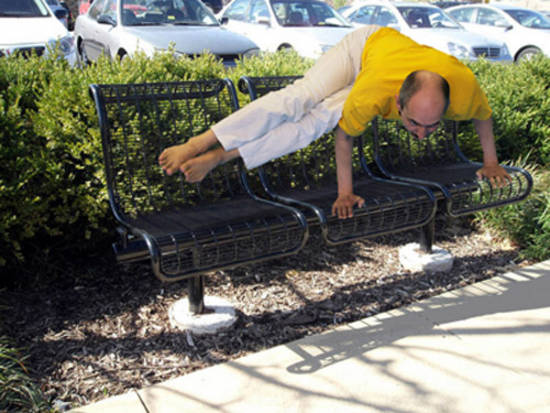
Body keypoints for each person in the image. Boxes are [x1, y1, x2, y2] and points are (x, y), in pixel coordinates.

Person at [158, 25, 511, 219]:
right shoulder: (373, 94)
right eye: (415, 123)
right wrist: (345, 192)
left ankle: (221, 155)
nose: (422, 134)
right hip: (364, 49)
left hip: (391, 67)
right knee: (301, 98)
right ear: (396, 104)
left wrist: (491, 162)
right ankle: (199, 142)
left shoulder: (464, 91)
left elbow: (484, 118)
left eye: (433, 126)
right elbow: (345, 139)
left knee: (310, 126)